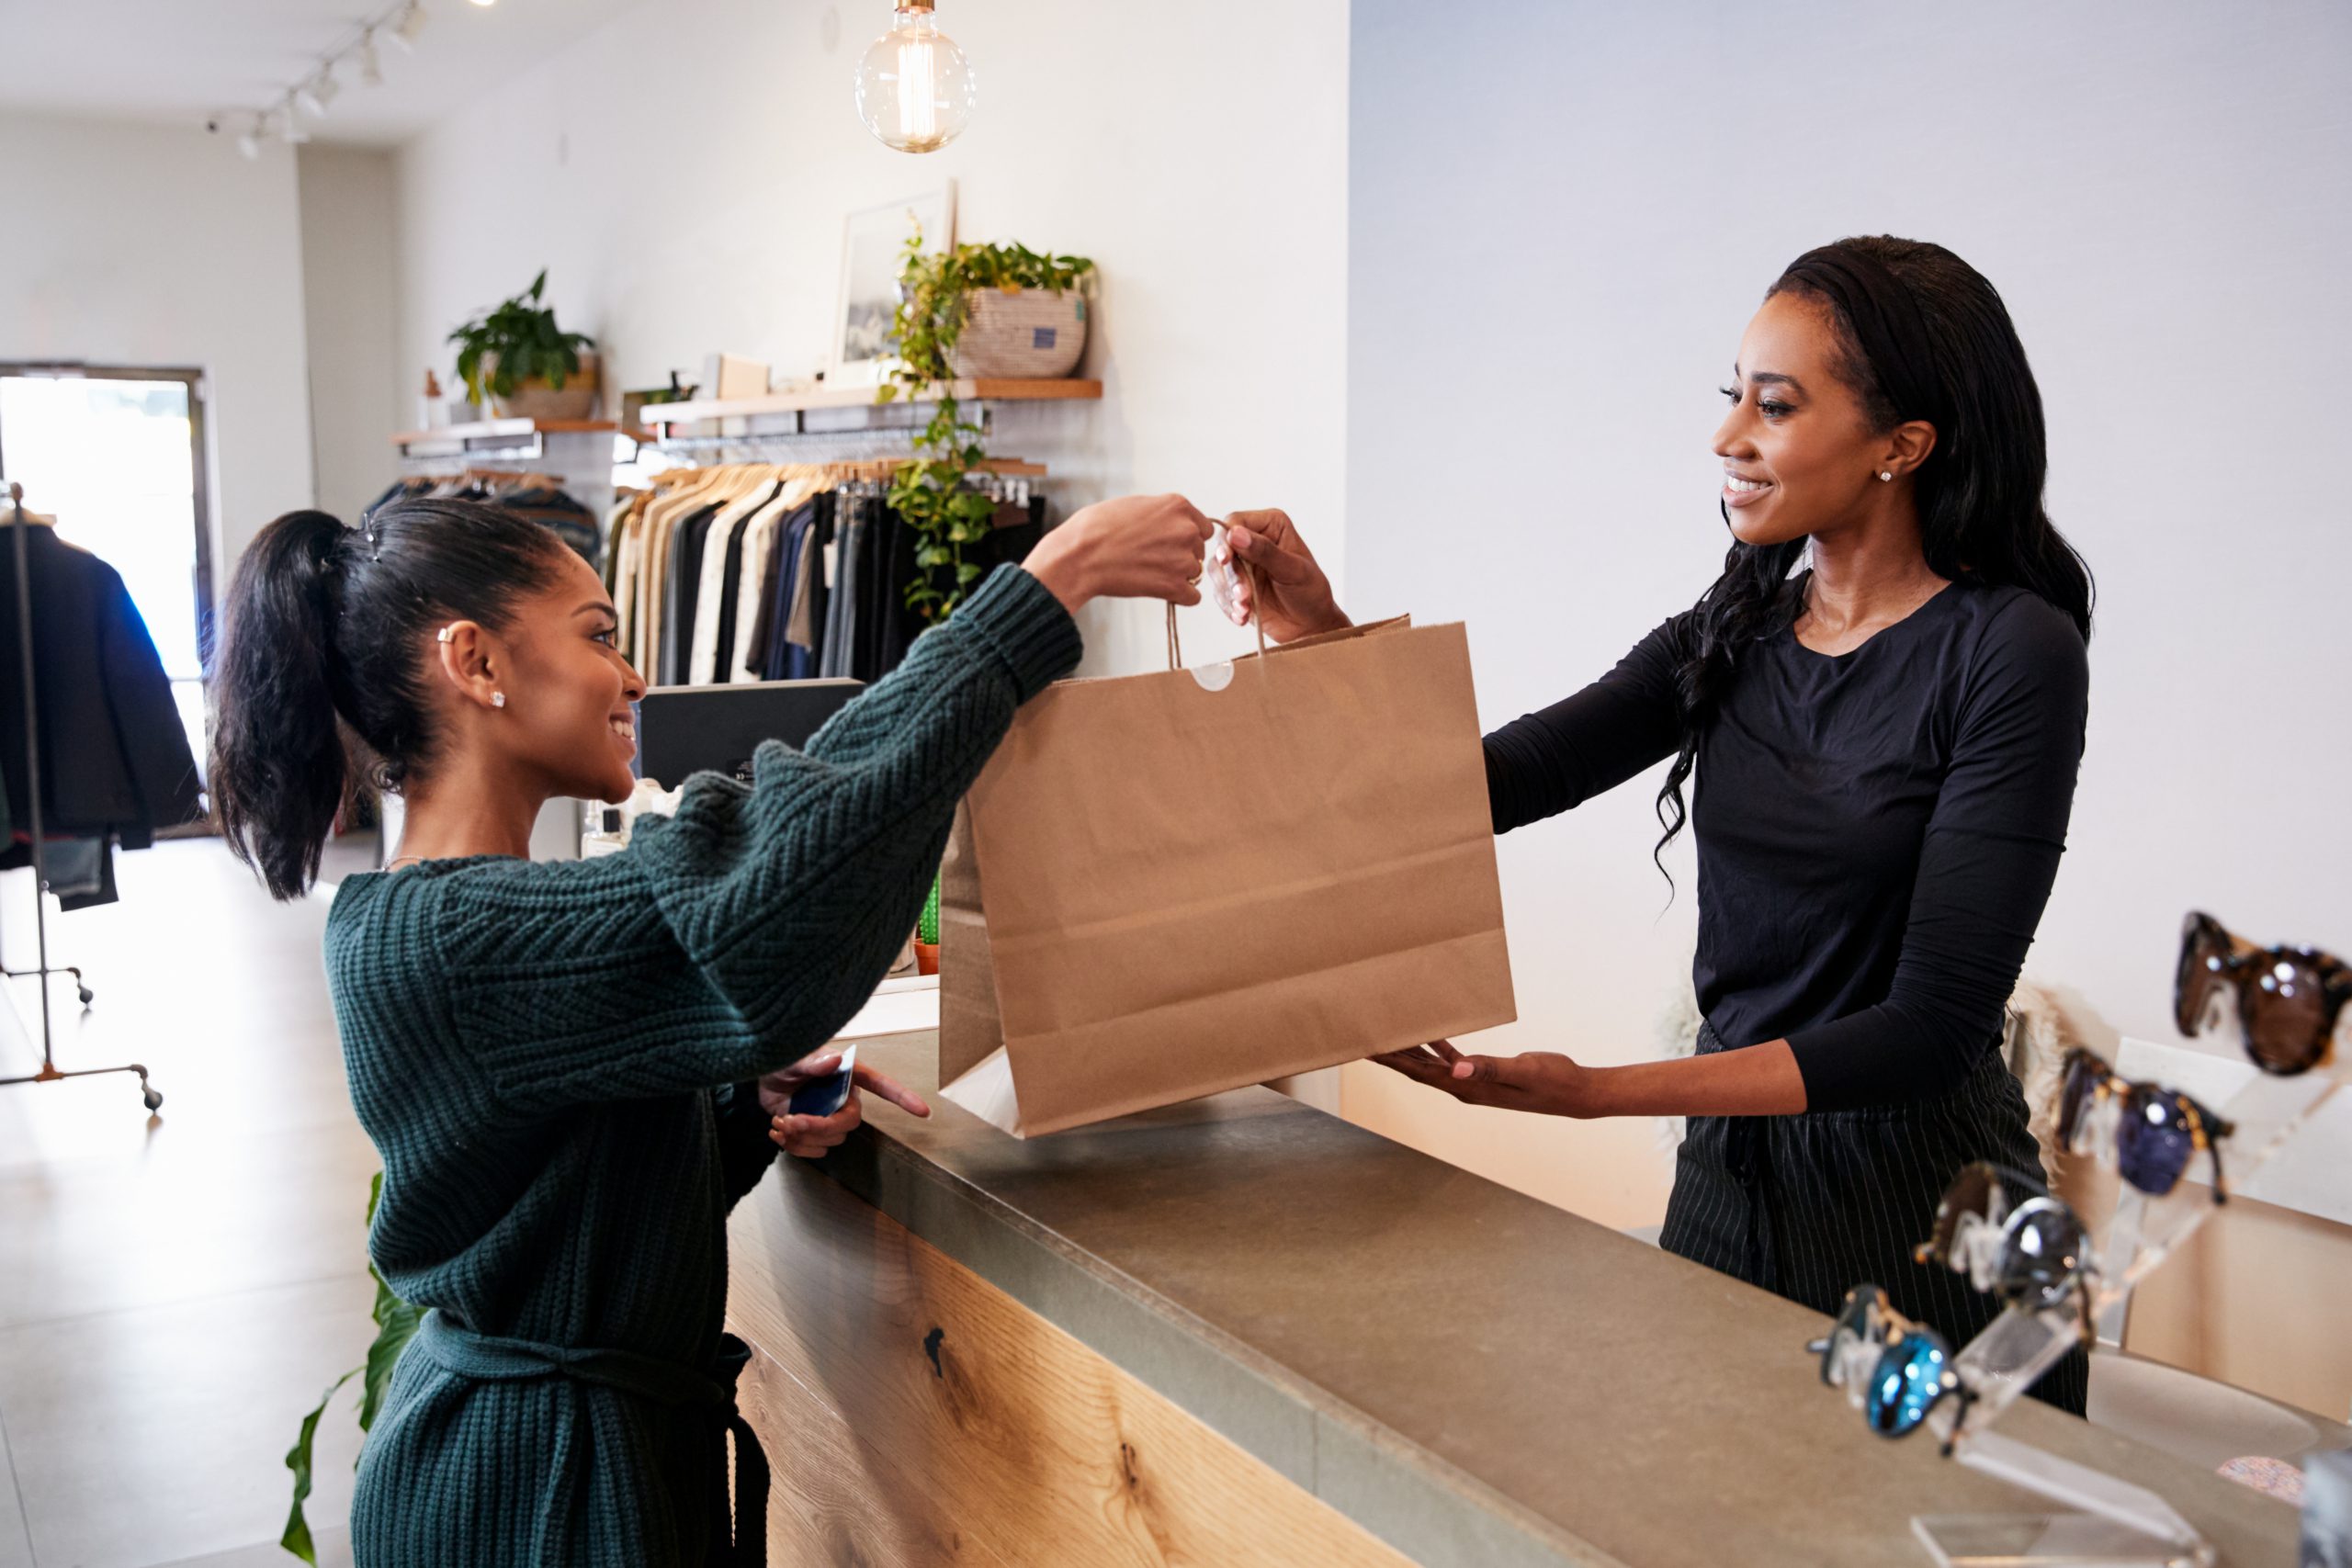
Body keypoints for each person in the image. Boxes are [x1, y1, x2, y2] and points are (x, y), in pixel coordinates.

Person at [206, 491, 1212, 1565]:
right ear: (476, 662)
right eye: (598, 636)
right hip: (534, 1498)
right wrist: (1041, 589)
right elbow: (766, 902)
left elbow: (558, 1186)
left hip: (558, 1466)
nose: (633, 675)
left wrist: (738, 1104)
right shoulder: (446, 937)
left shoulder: (465, 913)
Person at [1220, 235, 2094, 1412]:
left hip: (1930, 1230)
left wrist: (1596, 1092)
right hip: (1726, 1204)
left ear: (1903, 445)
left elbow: (1930, 1028)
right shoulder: (1729, 633)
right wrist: (1314, 632)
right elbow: (1478, 787)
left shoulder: (2010, 651)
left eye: (1773, 406)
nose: (1727, 436)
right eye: (1731, 396)